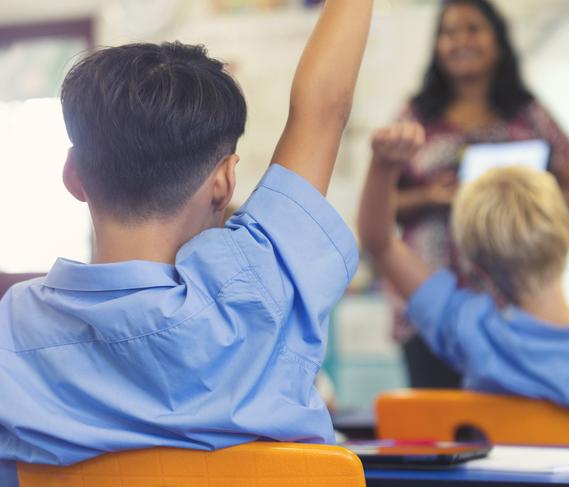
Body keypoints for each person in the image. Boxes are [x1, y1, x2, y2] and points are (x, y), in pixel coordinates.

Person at [0, 0, 373, 483]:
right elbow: (323, 109)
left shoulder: (12, 329)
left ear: (74, 175)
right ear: (224, 183)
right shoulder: (261, 285)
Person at [359, 122, 569, 446]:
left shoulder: (472, 331)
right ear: (567, 236)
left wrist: (384, 164)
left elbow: (380, 241)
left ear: (478, 268)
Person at [387, 0, 569, 389]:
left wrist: (520, 194)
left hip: (515, 303)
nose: (460, 41)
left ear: (498, 41)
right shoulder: (415, 116)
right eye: (448, 32)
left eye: (473, 29)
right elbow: (381, 206)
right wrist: (430, 196)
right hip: (430, 303)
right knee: (438, 431)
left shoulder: (529, 115)